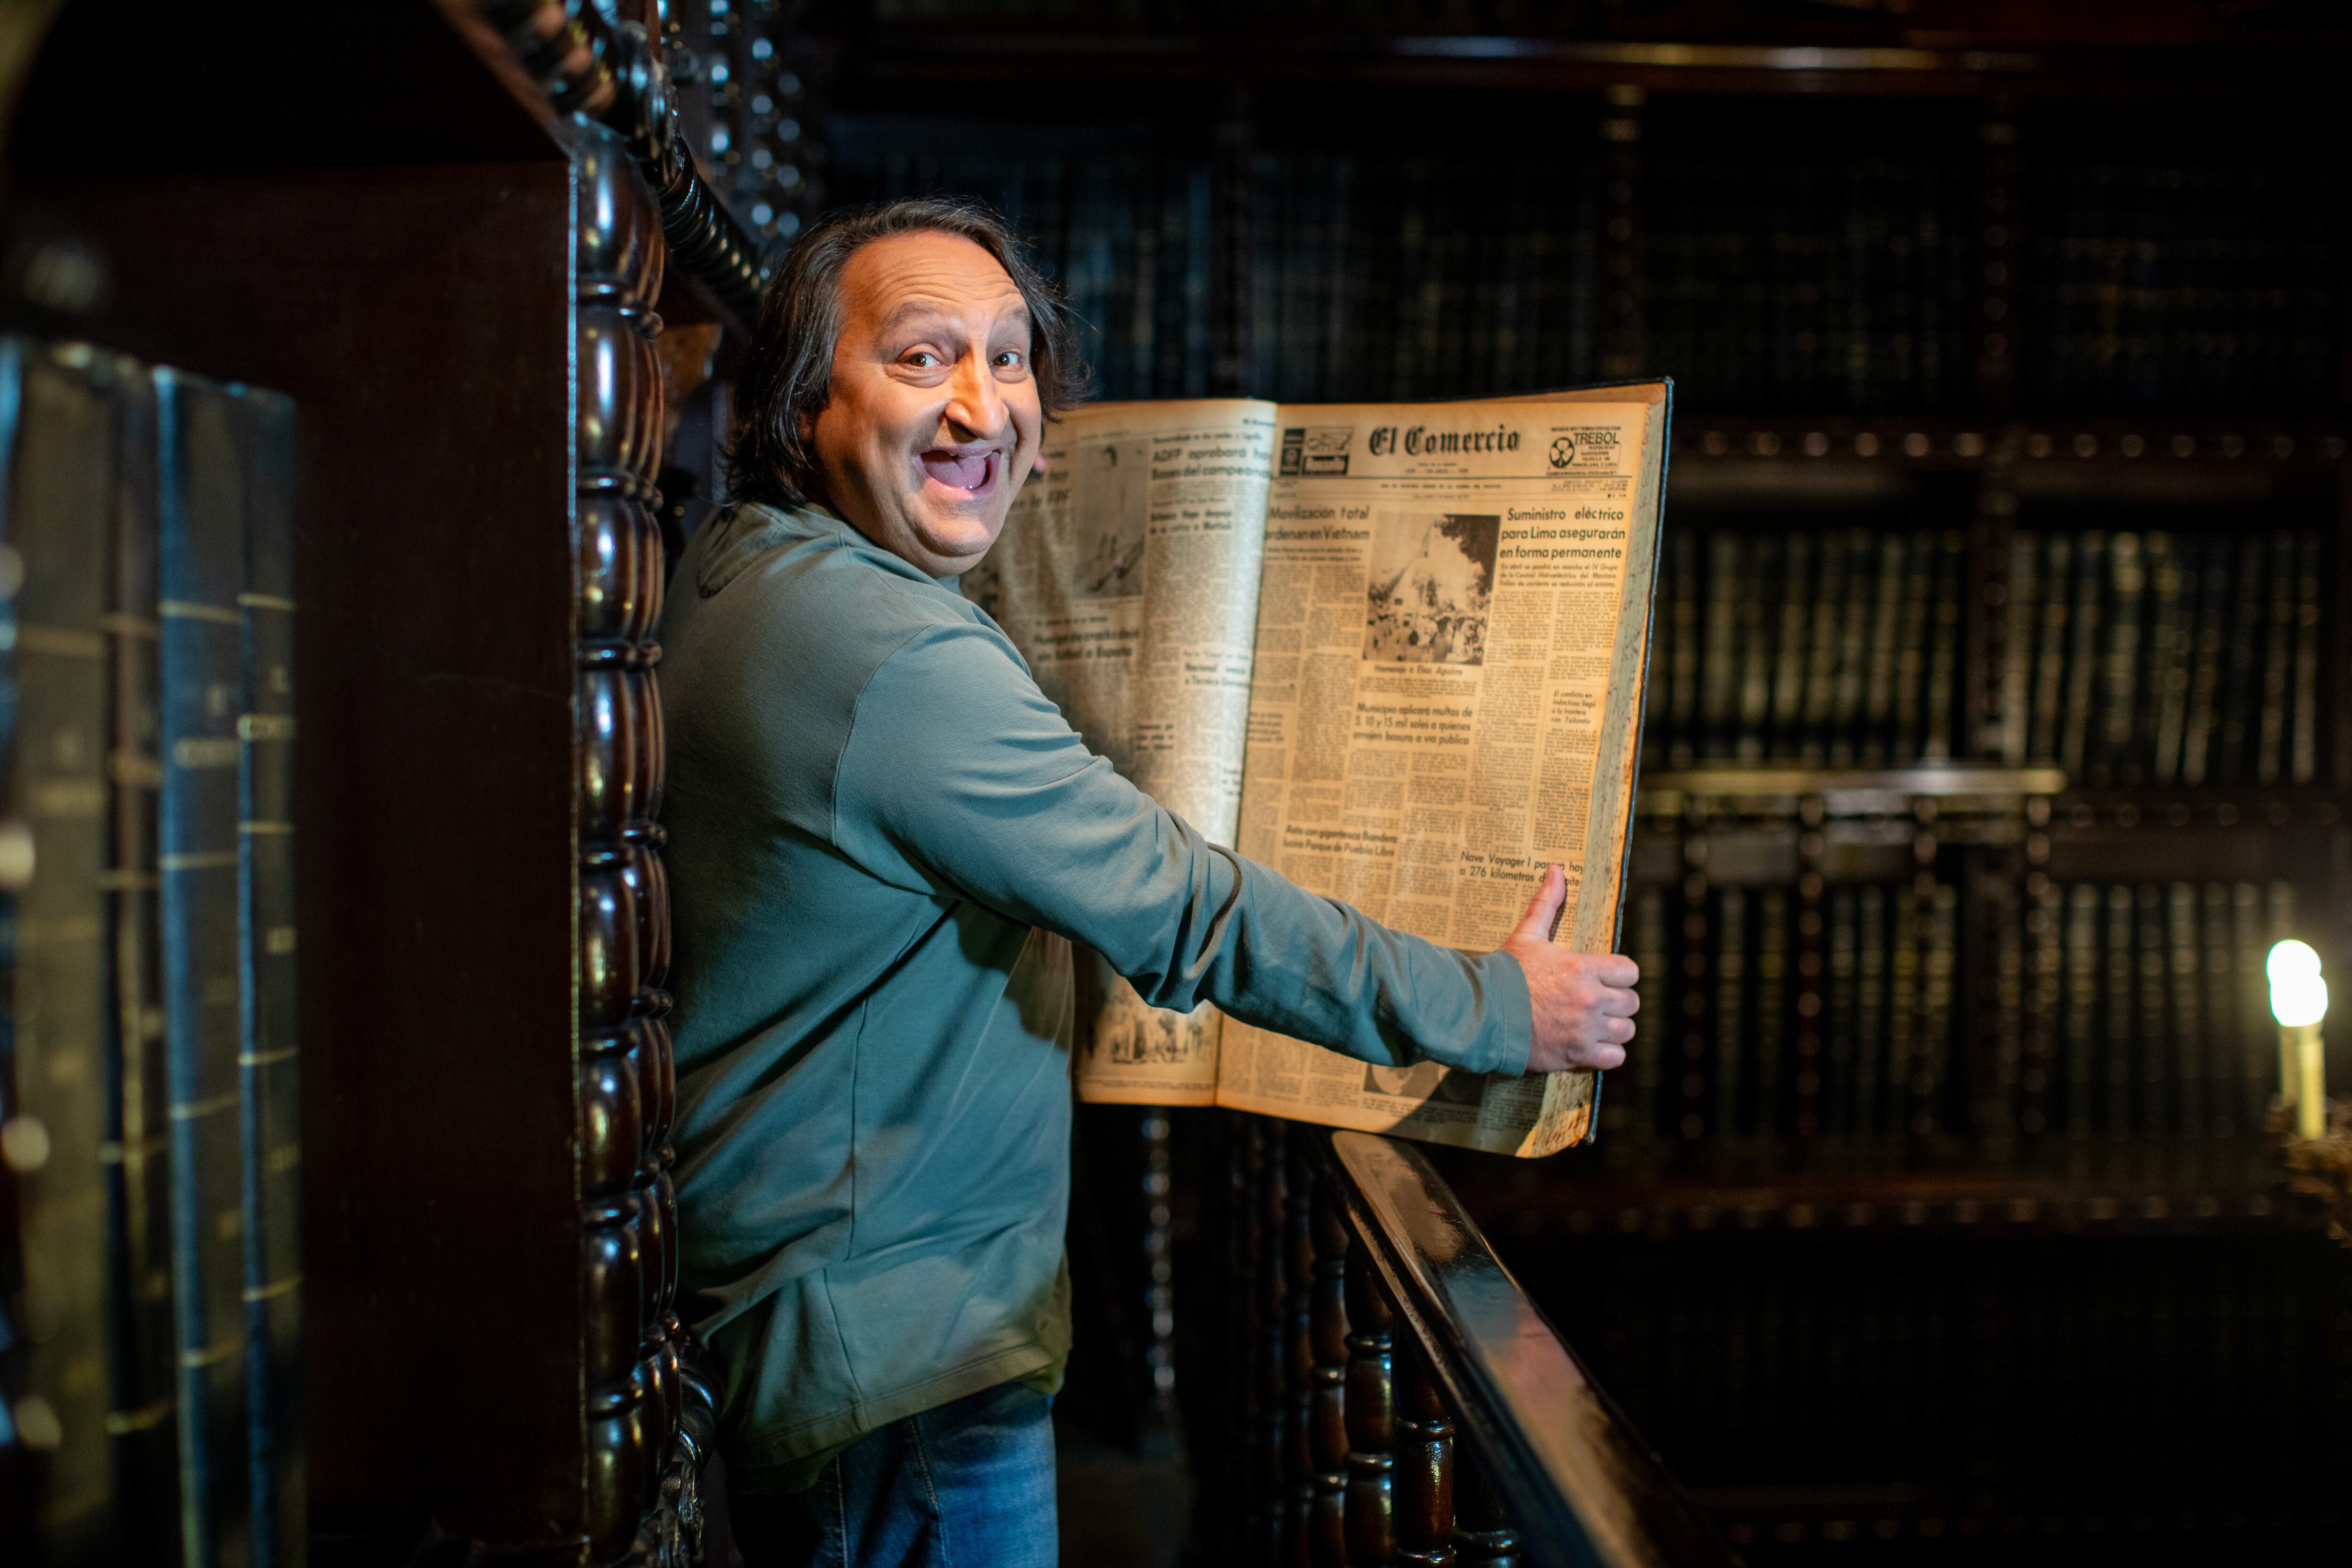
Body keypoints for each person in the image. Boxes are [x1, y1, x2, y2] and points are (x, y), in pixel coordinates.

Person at [659, 196, 1638, 1568]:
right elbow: (1190, 911)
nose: (984, 407)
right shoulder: (890, 656)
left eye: (1010, 360)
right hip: (900, 1348)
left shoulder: (744, 568)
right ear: (803, 401)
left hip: (837, 1306)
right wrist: (1496, 1005)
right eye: (924, 357)